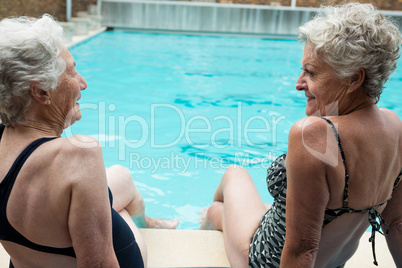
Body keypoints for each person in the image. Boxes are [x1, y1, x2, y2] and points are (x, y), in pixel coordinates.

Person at [200, 2, 402, 267]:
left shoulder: (315, 135)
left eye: (311, 72)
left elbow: (302, 251)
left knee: (234, 174)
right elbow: (397, 223)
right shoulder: (396, 126)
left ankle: (200, 228)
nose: (298, 83)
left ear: (354, 78)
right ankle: (210, 219)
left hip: (266, 260)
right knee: (221, 210)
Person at [0, 15, 178, 267]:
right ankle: (141, 222)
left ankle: (149, 222)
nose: (83, 83)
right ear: (40, 92)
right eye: (72, 73)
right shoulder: (78, 156)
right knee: (121, 203)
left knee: (122, 176)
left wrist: (58, 115)